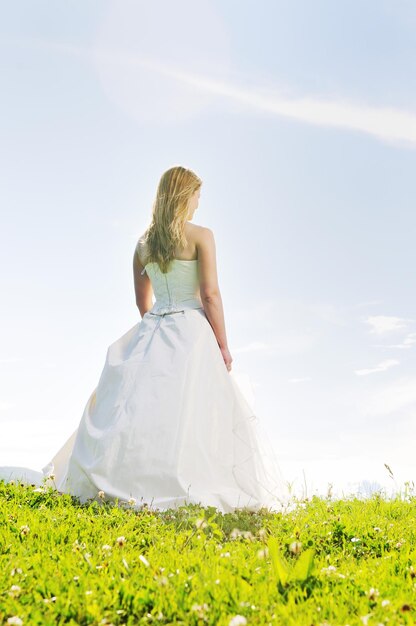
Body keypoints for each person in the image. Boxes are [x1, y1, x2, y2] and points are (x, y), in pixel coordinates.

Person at [0, 166, 290, 513]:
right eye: (197, 194)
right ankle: (183, 480)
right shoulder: (202, 236)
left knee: (137, 411)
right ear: (186, 196)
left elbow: (143, 301)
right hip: (193, 329)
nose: (199, 202)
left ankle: (124, 480)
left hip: (154, 326)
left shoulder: (142, 244)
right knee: (190, 414)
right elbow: (210, 295)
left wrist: (156, 330)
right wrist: (223, 346)